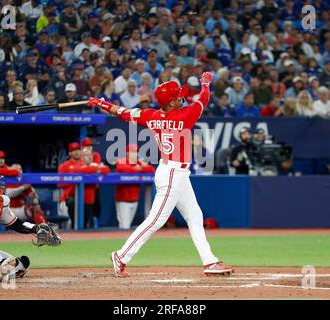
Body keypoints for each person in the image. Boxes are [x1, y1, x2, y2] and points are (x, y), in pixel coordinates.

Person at [86, 72, 234, 277]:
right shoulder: (185, 115)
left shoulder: (150, 115)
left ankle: (209, 261)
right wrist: (206, 83)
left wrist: (102, 104)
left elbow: (122, 112)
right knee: (156, 219)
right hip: (173, 172)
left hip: (174, 172)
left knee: (195, 216)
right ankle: (121, 255)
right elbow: (204, 98)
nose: (182, 99)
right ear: (171, 102)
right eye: (178, 97)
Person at [0, 151, 47, 224]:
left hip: (20, 209)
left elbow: (34, 195)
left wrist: (35, 201)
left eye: (20, 169)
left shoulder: (24, 181)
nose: (18, 171)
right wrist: (23, 187)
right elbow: (9, 193)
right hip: (7, 209)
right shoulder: (8, 179)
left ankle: (44, 227)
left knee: (36, 208)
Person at [115, 144, 155, 229]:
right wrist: (139, 168)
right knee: (124, 226)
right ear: (127, 153)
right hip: (123, 200)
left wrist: (140, 167)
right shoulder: (122, 161)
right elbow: (122, 169)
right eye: (132, 152)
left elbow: (151, 169)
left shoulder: (138, 162)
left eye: (136, 152)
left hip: (135, 199)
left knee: (127, 225)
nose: (135, 154)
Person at [57, 142, 83, 229]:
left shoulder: (84, 164)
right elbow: (59, 183)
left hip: (82, 198)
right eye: (73, 150)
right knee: (68, 225)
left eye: (78, 149)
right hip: (67, 198)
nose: (76, 152)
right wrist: (74, 180)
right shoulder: (64, 166)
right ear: (70, 153)